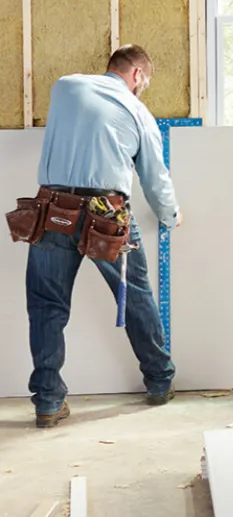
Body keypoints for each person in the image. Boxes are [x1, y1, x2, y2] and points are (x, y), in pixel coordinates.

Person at [26, 44, 183, 428]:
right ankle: (159, 382)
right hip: (106, 214)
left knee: (47, 306)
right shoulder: (139, 113)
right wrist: (170, 215)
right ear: (137, 76)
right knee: (136, 298)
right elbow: (154, 177)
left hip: (54, 211)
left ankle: (48, 402)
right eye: (143, 81)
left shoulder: (65, 87)